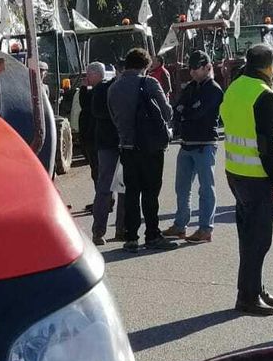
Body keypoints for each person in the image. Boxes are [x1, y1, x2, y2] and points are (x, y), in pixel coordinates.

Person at [221, 44, 273, 315]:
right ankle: (248, 296)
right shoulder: (264, 95)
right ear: (269, 66)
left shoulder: (236, 87)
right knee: (259, 241)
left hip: (236, 172)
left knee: (248, 237)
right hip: (257, 177)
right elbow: (267, 145)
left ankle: (255, 288)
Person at [109, 47, 178, 252]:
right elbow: (167, 113)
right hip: (150, 147)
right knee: (150, 193)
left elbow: (114, 117)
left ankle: (131, 237)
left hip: (127, 147)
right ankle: (152, 235)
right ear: (146, 66)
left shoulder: (114, 87)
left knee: (131, 193)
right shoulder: (149, 83)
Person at [167, 51, 223, 243]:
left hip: (205, 144)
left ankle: (205, 229)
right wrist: (185, 111)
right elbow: (178, 107)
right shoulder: (191, 87)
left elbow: (197, 112)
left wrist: (186, 112)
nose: (192, 73)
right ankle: (180, 225)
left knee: (206, 189)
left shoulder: (214, 90)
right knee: (181, 188)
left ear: (207, 67)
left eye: (196, 69)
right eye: (190, 69)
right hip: (187, 143)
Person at [78, 62, 120, 245]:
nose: (87, 76)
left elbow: (89, 107)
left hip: (101, 142)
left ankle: (107, 227)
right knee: (110, 183)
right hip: (101, 141)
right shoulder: (101, 89)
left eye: (89, 74)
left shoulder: (100, 90)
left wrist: (83, 88)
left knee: (104, 182)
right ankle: (118, 228)